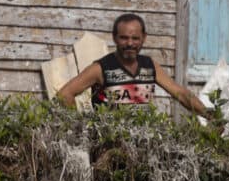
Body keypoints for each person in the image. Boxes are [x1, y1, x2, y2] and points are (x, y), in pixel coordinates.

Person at [56, 13, 210, 116]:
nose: (130, 43)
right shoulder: (101, 68)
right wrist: (79, 129)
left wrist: (210, 116)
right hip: (109, 151)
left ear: (144, 38)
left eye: (135, 38)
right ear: (114, 38)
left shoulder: (150, 66)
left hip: (143, 147)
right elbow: (64, 95)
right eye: (124, 38)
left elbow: (181, 94)